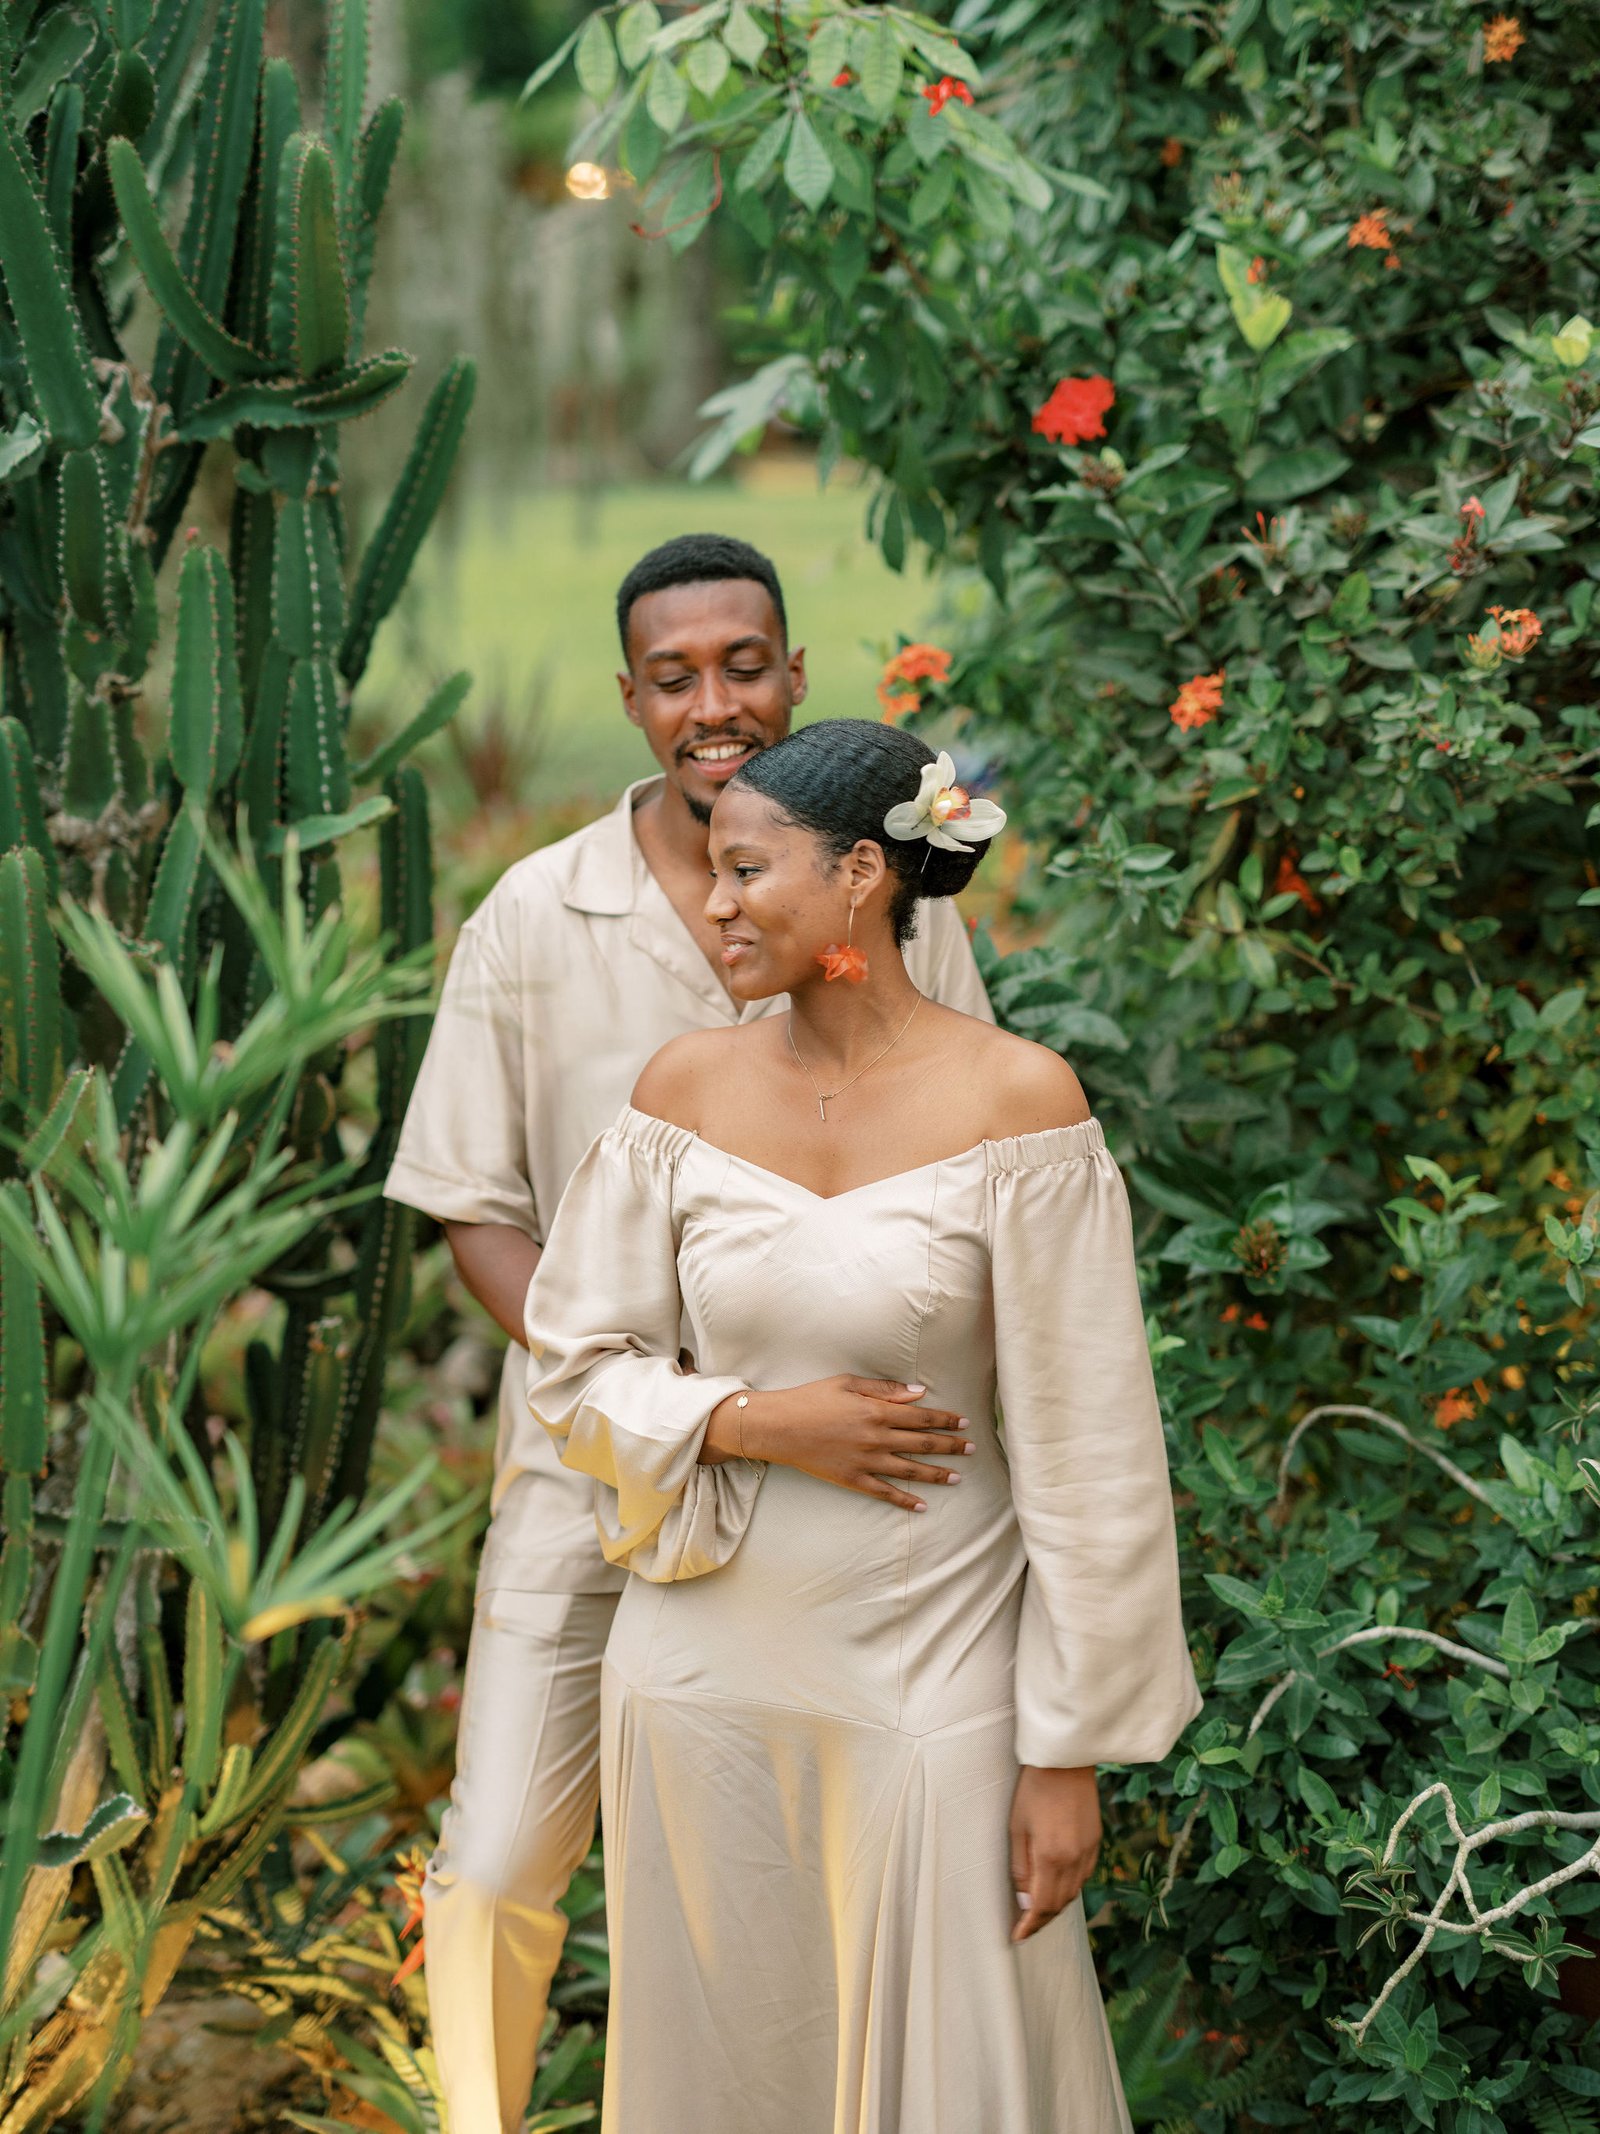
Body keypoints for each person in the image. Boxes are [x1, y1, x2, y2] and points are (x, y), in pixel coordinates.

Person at [383, 538, 992, 2134]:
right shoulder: (537, 914)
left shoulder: (894, 889)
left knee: (805, 1858)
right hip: (591, 1469)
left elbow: (975, 1143)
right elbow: (476, 1209)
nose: (713, 703)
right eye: (675, 677)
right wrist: (652, 1395)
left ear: (796, 673)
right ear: (631, 698)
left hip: (847, 1480)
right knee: (503, 1854)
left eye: (744, 664)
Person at [525, 719, 1201, 2134]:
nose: (714, 906)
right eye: (709, 872)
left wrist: (1064, 1746)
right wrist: (753, 1419)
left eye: (747, 870)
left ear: (860, 879)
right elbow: (572, 1374)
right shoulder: (681, 1095)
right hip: (698, 1679)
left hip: (931, 1679)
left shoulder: (1018, 1105)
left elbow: (1093, 1458)